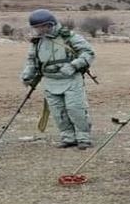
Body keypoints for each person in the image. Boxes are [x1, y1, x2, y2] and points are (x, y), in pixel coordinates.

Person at [20, 9, 95, 150]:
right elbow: (32, 60)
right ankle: (68, 138)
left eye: (40, 27)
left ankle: (83, 138)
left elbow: (88, 52)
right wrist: (27, 74)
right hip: (49, 81)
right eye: (35, 27)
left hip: (71, 80)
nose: (38, 30)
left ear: (49, 24)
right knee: (58, 111)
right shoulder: (37, 42)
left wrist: (74, 65)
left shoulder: (70, 37)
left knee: (75, 109)